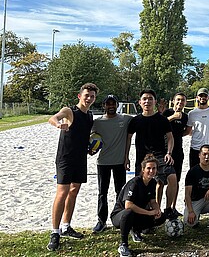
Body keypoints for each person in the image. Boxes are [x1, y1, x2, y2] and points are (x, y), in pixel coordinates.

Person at [47, 83, 98, 251]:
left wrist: (91, 148)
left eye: (92, 96)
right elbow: (54, 117)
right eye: (86, 95)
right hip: (65, 159)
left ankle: (66, 226)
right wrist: (58, 124)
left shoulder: (90, 115)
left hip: (80, 158)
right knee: (62, 192)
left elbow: (84, 135)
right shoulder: (70, 111)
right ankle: (55, 233)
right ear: (79, 96)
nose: (89, 98)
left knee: (74, 191)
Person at [126, 89, 177, 219]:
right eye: (144, 99)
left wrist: (169, 153)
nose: (147, 101)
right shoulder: (135, 120)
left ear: (154, 101)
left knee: (172, 178)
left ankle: (168, 209)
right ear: (140, 102)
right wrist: (126, 157)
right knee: (141, 186)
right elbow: (128, 139)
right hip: (142, 158)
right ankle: (144, 215)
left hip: (160, 155)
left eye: (150, 99)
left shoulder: (162, 119)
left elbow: (170, 138)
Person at [111, 154, 167, 257]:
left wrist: (156, 210)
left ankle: (136, 230)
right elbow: (128, 205)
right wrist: (149, 212)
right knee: (129, 212)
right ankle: (123, 244)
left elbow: (152, 201)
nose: (151, 171)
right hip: (120, 215)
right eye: (148, 168)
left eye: (154, 168)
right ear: (143, 169)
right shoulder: (135, 183)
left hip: (137, 213)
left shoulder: (152, 182)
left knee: (161, 217)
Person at [92, 94, 133, 234]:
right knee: (102, 193)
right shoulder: (97, 122)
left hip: (119, 162)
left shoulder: (125, 119)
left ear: (117, 105)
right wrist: (90, 149)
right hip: (103, 162)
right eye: (108, 104)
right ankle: (101, 221)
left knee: (120, 192)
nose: (111, 106)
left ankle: (119, 218)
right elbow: (89, 139)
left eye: (113, 103)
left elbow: (143, 119)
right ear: (104, 106)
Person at [162, 92, 191, 217]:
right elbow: (160, 125)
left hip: (178, 151)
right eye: (178, 100)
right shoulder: (167, 113)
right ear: (173, 101)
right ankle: (160, 207)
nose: (180, 102)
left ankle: (173, 207)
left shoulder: (185, 117)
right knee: (161, 182)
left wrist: (177, 136)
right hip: (164, 151)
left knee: (176, 181)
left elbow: (186, 131)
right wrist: (173, 117)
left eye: (183, 100)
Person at [187, 88, 209, 168]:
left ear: (208, 97)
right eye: (200, 95)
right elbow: (188, 131)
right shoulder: (192, 113)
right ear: (197, 97)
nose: (203, 98)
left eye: (205, 96)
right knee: (194, 173)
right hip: (196, 147)